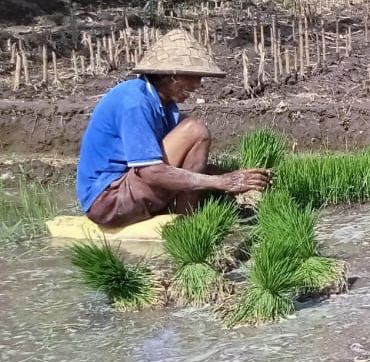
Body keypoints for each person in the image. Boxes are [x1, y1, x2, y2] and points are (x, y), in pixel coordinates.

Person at [76, 28, 271, 228]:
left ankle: (187, 221)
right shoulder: (134, 102)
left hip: (128, 190)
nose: (198, 85)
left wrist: (239, 177)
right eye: (193, 76)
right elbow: (151, 172)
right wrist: (222, 182)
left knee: (193, 133)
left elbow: (187, 166)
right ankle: (187, 223)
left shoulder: (165, 106)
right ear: (171, 75)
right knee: (195, 130)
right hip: (108, 201)